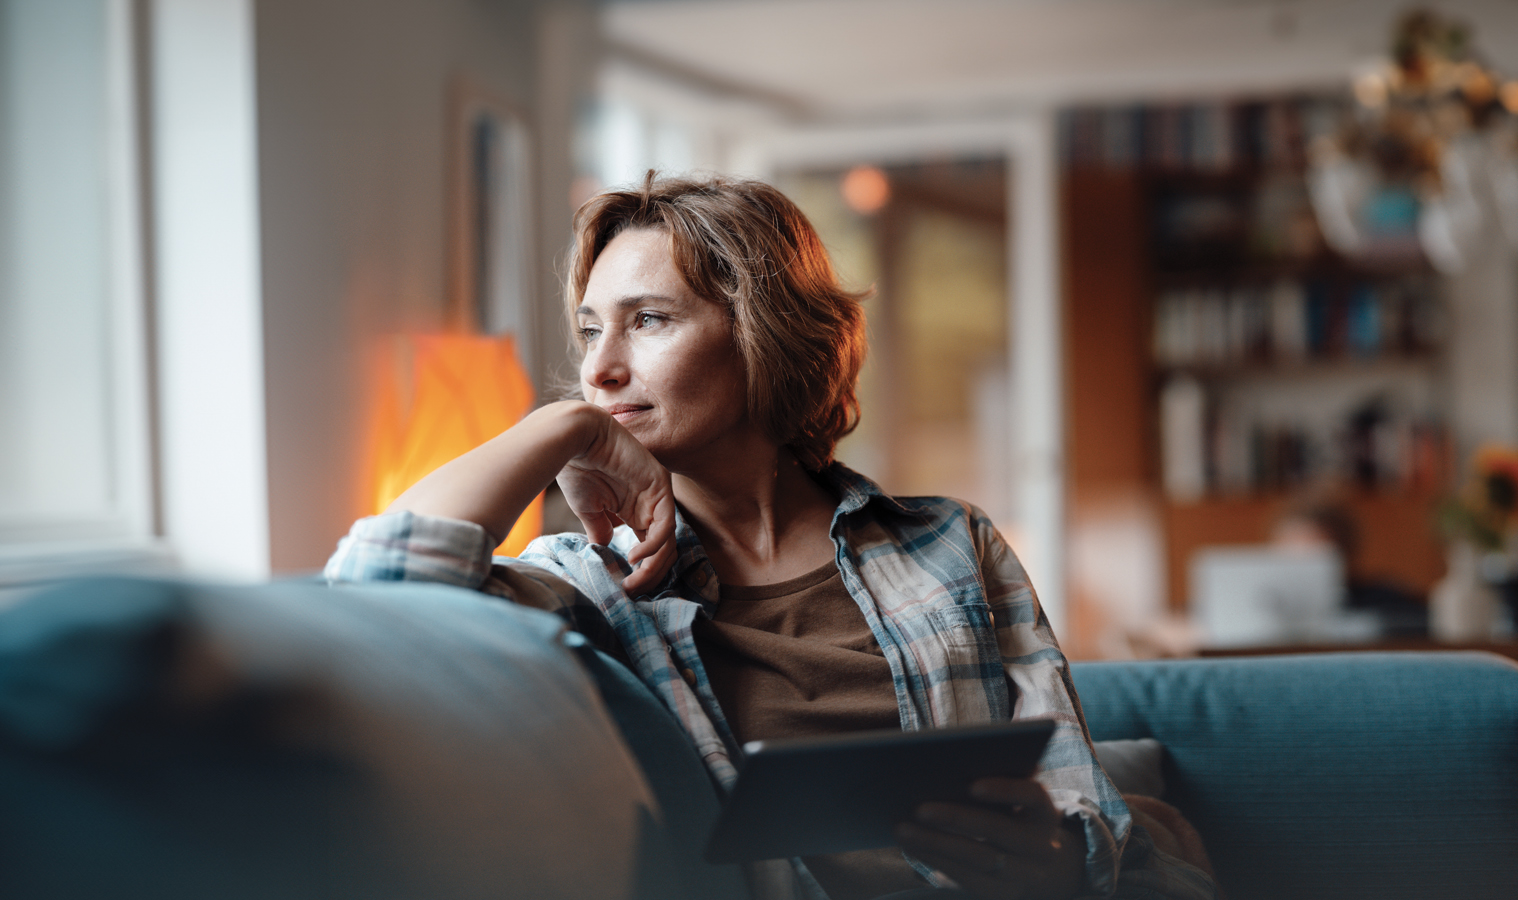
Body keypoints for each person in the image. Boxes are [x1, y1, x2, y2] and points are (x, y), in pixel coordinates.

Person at [326, 173, 1216, 900]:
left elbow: (1073, 787)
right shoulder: (590, 580)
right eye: (591, 329)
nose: (599, 367)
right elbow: (376, 593)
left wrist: (1060, 865)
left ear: (765, 333)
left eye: (649, 320)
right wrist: (560, 429)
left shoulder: (950, 544)